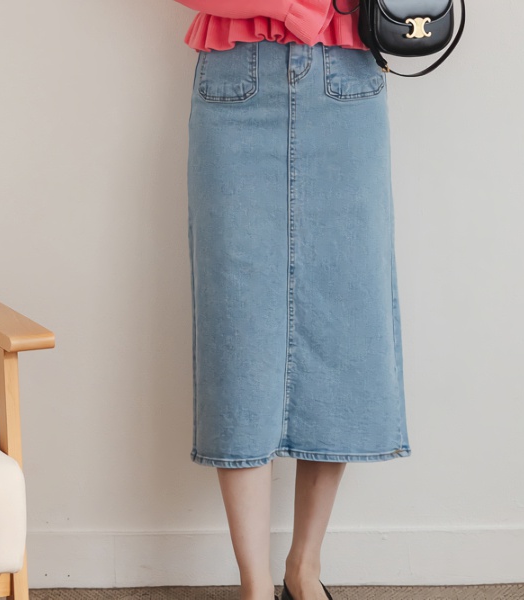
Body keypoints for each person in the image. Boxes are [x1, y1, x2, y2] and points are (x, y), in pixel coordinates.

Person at [174, 2, 412, 600]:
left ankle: (303, 569)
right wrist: (290, 7)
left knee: (344, 324)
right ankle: (254, 586)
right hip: (236, 80)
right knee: (239, 332)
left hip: (347, 79)